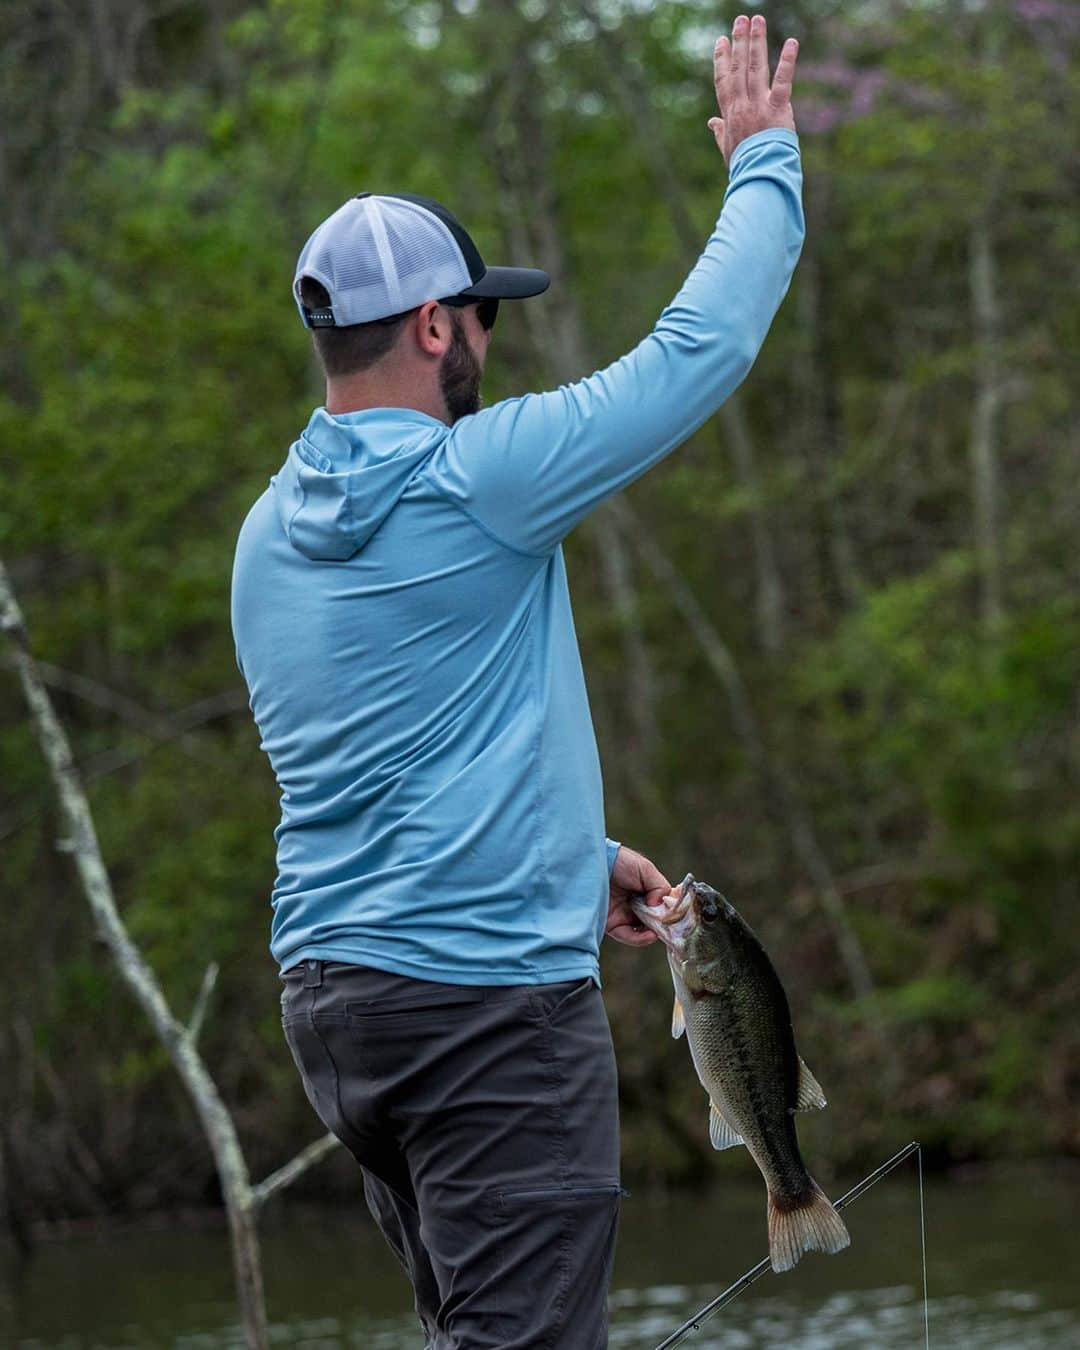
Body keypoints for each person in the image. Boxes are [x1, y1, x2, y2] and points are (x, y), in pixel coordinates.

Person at [230, 13, 802, 1348]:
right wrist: (763, 164)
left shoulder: (267, 535)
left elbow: (383, 760)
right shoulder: (471, 480)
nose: (491, 338)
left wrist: (570, 851)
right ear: (435, 324)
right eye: (485, 313)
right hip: (483, 1011)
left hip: (338, 1005)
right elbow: (697, 354)